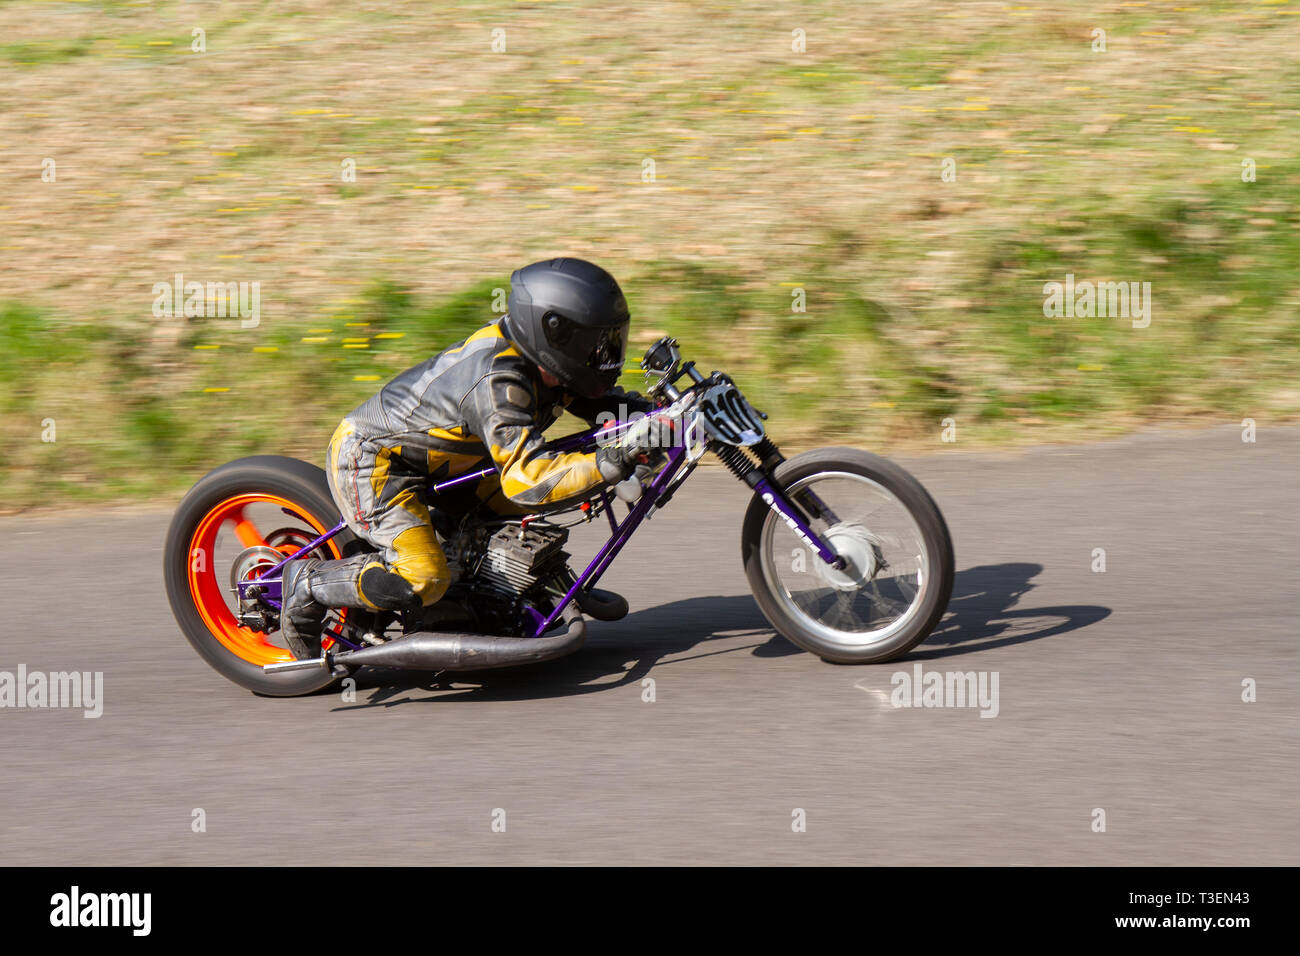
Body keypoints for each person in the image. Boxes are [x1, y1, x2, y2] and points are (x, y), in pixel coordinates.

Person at [279, 258, 668, 659]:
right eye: (594, 343)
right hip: (375, 462)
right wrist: (611, 461)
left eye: (610, 340)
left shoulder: (549, 365)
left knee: (534, 503)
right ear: (555, 335)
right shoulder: (498, 382)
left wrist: (662, 417)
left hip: (446, 463)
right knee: (424, 577)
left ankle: (492, 582)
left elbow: (605, 410)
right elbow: (528, 480)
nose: (604, 354)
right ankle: (308, 583)